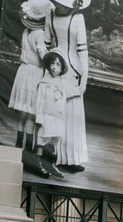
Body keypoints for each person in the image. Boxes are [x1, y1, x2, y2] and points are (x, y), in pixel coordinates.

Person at [44, 0, 91, 172]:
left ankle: (71, 159)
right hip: (54, 69)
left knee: (72, 115)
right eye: (56, 0)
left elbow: (83, 51)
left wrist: (84, 80)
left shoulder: (78, 18)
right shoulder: (50, 14)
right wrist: (47, 69)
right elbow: (46, 45)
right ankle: (51, 155)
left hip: (73, 72)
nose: (58, 4)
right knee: (54, 113)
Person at [9, 0, 53, 149]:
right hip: (34, 73)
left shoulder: (26, 31)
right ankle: (27, 147)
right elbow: (42, 53)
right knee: (31, 113)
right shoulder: (39, 34)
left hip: (23, 71)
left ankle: (18, 143)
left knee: (22, 113)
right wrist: (51, 57)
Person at [30, 50, 75, 179]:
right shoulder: (44, 83)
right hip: (46, 117)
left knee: (53, 141)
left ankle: (50, 163)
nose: (54, 67)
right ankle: (37, 163)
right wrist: (39, 118)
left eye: (58, 64)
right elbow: (39, 102)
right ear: (48, 66)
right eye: (52, 64)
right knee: (41, 140)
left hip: (57, 118)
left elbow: (69, 93)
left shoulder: (62, 84)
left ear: (61, 68)